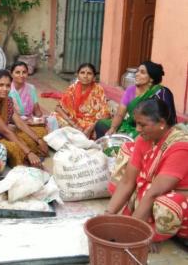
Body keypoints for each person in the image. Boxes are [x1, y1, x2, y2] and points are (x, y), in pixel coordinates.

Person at [106, 99, 188, 245]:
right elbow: (127, 181)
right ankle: (143, 225)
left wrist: (130, 233)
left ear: (162, 123)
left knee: (166, 204)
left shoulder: (180, 147)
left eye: (142, 124)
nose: (137, 129)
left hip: (178, 198)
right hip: (154, 190)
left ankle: (155, 233)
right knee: (126, 152)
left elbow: (154, 193)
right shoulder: (144, 139)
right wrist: (107, 216)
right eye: (136, 123)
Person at [0, 70, 49, 168]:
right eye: (1, 85)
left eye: (7, 86)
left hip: (3, 133)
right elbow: (4, 130)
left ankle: (32, 156)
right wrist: (28, 152)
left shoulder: (7, 100)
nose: (5, 89)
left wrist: (38, 140)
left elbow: (19, 122)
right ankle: (27, 161)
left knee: (40, 132)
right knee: (15, 148)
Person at [96, 61, 176, 138]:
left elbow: (166, 119)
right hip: (130, 124)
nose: (137, 74)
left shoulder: (160, 92)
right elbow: (120, 114)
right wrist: (113, 128)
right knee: (101, 124)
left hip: (148, 128)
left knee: (134, 138)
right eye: (137, 71)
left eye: (142, 72)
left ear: (151, 78)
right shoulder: (130, 90)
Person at [53, 63, 110, 137]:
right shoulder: (72, 88)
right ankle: (74, 134)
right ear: (77, 75)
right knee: (54, 116)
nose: (85, 76)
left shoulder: (98, 89)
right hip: (73, 121)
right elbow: (58, 108)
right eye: (82, 73)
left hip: (91, 123)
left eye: (89, 73)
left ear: (94, 77)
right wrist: (74, 125)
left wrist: (90, 129)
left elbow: (106, 114)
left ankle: (74, 135)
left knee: (101, 126)